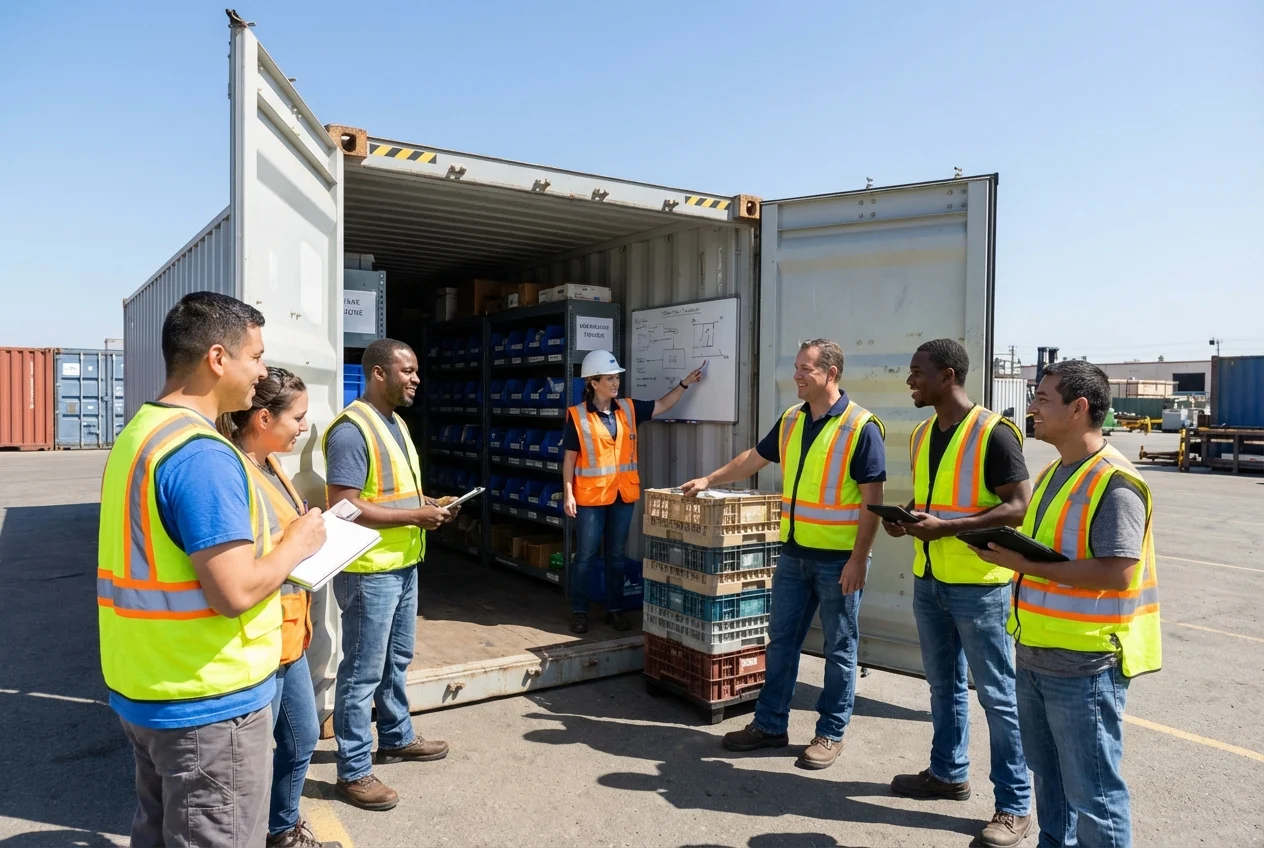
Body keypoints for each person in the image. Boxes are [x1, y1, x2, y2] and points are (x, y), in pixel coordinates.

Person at [98, 292, 327, 848]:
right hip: (207, 703)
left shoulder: (141, 434)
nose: (263, 372)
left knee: (156, 831)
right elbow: (234, 590)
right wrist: (297, 543)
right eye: (256, 357)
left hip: (148, 686)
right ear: (218, 359)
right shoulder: (202, 455)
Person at [976, 360, 1161, 848]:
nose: (1031, 407)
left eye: (1042, 398)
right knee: (1050, 785)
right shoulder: (1056, 470)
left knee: (1094, 797)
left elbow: (1119, 574)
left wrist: (1026, 565)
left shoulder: (1115, 483)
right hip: (1036, 652)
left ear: (1079, 409)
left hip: (1084, 665)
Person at [681, 339, 885, 770]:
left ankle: (831, 733)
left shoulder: (860, 426)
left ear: (831, 374)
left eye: (805, 368)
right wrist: (710, 478)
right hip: (794, 555)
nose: (796, 375)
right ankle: (771, 724)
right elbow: (753, 459)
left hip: (838, 560)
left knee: (840, 649)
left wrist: (858, 560)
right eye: (795, 366)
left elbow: (873, 503)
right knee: (782, 643)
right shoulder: (792, 419)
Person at [883, 339, 1033, 848]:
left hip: (980, 586)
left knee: (998, 696)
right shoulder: (923, 433)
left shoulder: (995, 433)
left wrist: (946, 528)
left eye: (917, 372)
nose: (910, 381)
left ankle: (1015, 804)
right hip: (930, 579)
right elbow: (934, 499)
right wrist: (908, 518)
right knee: (942, 686)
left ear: (948, 376)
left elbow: (1018, 506)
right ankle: (948, 773)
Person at [324, 338, 456, 811]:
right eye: (407, 370)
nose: (416, 378)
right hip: (370, 571)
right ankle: (354, 771)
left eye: (416, 370)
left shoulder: (396, 422)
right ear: (378, 373)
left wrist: (429, 505)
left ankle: (396, 737)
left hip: (402, 564)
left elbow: (393, 494)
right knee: (362, 673)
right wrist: (413, 518)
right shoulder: (351, 430)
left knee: (397, 659)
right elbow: (341, 507)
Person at [219, 368, 340, 848]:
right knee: (250, 760)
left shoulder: (271, 464)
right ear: (264, 417)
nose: (304, 427)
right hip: (260, 639)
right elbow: (241, 564)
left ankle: (282, 828)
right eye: (298, 417)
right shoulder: (237, 471)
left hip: (289, 631)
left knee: (302, 735)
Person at [562, 349, 704, 634]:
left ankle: (614, 609)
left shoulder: (628, 408)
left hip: (622, 496)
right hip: (590, 497)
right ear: (593, 382)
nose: (616, 384)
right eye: (610, 379)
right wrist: (568, 493)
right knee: (586, 555)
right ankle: (579, 611)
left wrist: (684, 384)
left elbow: (663, 404)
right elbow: (569, 459)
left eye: (617, 378)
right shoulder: (578, 416)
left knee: (616, 555)